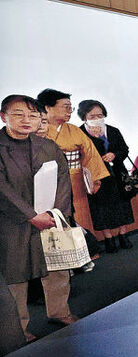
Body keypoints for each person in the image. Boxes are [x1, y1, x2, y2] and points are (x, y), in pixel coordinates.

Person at [0, 95, 76, 343]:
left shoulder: (47, 145)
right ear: (3, 116)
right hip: (12, 221)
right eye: (18, 114)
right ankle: (19, 328)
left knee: (56, 266)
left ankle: (59, 311)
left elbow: (63, 180)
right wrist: (31, 216)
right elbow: (2, 188)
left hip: (50, 218)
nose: (26, 120)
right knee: (15, 275)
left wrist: (58, 214)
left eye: (33, 115)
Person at [77, 99, 135, 252]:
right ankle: (108, 238)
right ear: (84, 117)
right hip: (96, 178)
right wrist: (96, 140)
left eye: (100, 115)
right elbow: (82, 155)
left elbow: (124, 149)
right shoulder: (80, 133)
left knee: (123, 205)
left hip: (117, 174)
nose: (97, 119)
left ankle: (123, 234)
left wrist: (114, 155)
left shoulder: (113, 130)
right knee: (101, 208)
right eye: (92, 116)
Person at [36, 89, 108, 204]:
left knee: (80, 215)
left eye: (71, 108)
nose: (70, 111)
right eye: (66, 107)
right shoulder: (35, 130)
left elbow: (90, 154)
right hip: (46, 181)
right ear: (48, 108)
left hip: (76, 180)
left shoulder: (74, 130)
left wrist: (94, 178)